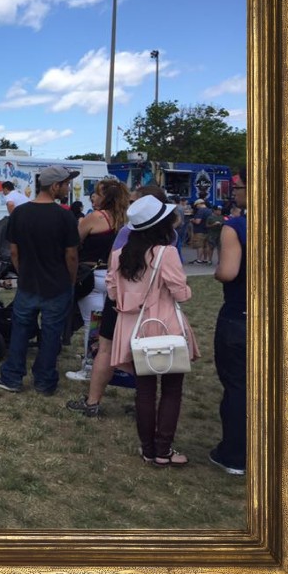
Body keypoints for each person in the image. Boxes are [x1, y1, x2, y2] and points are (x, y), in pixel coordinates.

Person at [106, 194, 200, 466]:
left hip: (134, 329)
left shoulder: (118, 256)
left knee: (144, 390)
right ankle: (163, 449)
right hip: (164, 326)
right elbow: (181, 294)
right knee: (171, 389)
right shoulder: (165, 253)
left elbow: (113, 292)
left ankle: (148, 448)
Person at [66, 185, 174, 418]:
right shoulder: (170, 238)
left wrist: (115, 297)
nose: (131, 205)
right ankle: (143, 405)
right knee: (146, 353)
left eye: (136, 201)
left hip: (122, 302)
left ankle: (93, 402)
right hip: (153, 305)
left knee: (106, 349)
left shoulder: (126, 233)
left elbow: (113, 271)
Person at [0, 165, 80, 395]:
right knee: (51, 334)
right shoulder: (65, 216)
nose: (67, 187)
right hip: (57, 284)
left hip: (28, 283)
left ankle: (12, 377)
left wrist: (24, 272)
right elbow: (71, 255)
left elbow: (14, 252)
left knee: (21, 330)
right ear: (55, 186)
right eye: (66, 184)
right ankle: (44, 381)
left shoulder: (19, 214)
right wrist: (70, 281)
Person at [67, 178, 130, 381]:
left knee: (92, 324)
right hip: (114, 276)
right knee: (109, 325)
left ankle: (89, 367)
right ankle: (109, 362)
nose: (93, 196)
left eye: (96, 193)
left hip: (91, 276)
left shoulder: (96, 217)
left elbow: (73, 242)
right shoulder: (125, 220)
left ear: (105, 197)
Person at [210, 168, 247, 476]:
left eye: (238, 187)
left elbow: (229, 272)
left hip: (241, 315)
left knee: (237, 386)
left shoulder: (235, 227)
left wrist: (217, 271)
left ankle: (234, 456)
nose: (234, 192)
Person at [189, 198, 210, 263]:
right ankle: (205, 259)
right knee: (206, 246)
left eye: (196, 205)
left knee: (200, 246)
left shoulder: (200, 211)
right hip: (208, 230)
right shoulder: (209, 210)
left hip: (199, 230)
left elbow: (198, 221)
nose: (196, 207)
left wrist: (192, 220)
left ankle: (199, 259)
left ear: (199, 204)